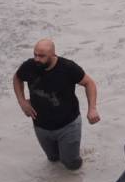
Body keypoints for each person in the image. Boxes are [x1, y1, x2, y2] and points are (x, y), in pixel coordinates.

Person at [12, 38, 100, 170]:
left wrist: (92, 109)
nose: (36, 59)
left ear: (53, 54)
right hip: (41, 125)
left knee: (70, 163)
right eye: (35, 54)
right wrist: (22, 101)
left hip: (68, 125)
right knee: (53, 159)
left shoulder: (68, 68)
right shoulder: (30, 66)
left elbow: (89, 83)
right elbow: (17, 78)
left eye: (41, 56)